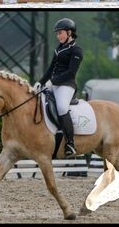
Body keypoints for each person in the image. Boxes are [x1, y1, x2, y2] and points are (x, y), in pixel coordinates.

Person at [34, 18, 83, 158]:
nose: (58, 36)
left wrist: (53, 81)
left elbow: (71, 72)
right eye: (57, 34)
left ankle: (70, 144)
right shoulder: (59, 49)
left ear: (69, 33)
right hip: (52, 84)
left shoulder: (76, 50)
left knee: (62, 107)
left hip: (67, 85)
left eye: (60, 33)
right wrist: (41, 82)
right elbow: (50, 69)